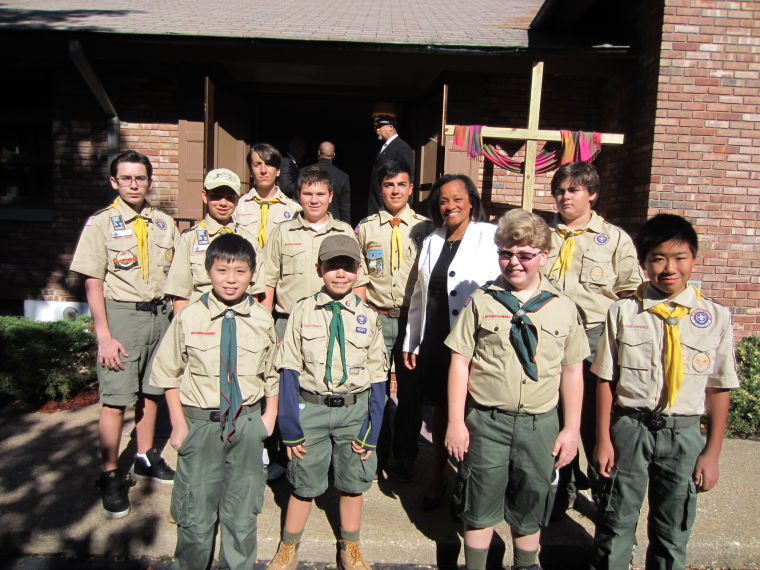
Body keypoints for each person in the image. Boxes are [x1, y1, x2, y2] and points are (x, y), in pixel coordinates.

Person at [591, 213, 738, 570]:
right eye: (657, 258)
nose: (669, 268)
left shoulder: (715, 316)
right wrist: (603, 439)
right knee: (615, 522)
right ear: (643, 263)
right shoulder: (623, 312)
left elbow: (719, 387)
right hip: (630, 429)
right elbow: (606, 380)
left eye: (679, 257)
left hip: (684, 434)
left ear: (694, 258)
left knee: (673, 530)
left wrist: (712, 452)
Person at [445, 208, 588, 570]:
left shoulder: (563, 308)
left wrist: (571, 429)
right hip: (487, 423)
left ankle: (526, 564)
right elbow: (460, 362)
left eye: (524, 254)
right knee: (478, 506)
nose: (514, 262)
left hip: (539, 426)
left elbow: (572, 371)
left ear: (543, 256)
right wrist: (455, 423)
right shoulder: (482, 301)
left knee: (531, 505)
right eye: (506, 253)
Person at [150, 234, 278, 570]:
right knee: (195, 516)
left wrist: (270, 418)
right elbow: (167, 373)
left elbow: (273, 374)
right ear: (209, 271)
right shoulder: (190, 317)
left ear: (252, 274)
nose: (231, 279)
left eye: (240, 271)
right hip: (200, 426)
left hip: (247, 425)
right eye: (223, 270)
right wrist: (178, 424)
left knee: (242, 516)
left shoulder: (262, 320)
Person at [267, 235, 387, 570]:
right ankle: (288, 547)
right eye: (332, 265)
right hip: (312, 410)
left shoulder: (369, 316)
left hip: (354, 411)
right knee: (303, 484)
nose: (340, 273)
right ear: (319, 268)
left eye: (347, 266)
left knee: (352, 485)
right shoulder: (302, 311)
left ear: (358, 271)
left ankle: (350, 547)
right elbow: (289, 368)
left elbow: (378, 378)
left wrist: (372, 429)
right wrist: (289, 426)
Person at [69, 150, 177, 518]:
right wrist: (104, 334)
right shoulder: (101, 223)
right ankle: (111, 474)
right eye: (127, 178)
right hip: (122, 317)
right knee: (116, 400)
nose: (134, 184)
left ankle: (145, 456)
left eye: (141, 178)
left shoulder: (164, 223)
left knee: (151, 393)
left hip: (159, 316)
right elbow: (92, 281)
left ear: (149, 181)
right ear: (114, 181)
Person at [543, 161, 643, 517]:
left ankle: (605, 495)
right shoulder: (541, 234)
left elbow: (631, 294)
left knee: (596, 423)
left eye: (573, 190)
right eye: (560, 190)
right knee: (554, 419)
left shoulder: (613, 238)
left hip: (596, 339)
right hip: (550, 341)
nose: (565, 196)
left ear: (592, 194)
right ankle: (560, 490)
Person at [401, 174, 499, 511]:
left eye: (458, 198)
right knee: (443, 409)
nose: (450, 206)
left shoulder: (490, 236)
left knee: (474, 411)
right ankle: (440, 476)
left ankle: (469, 484)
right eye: (444, 200)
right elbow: (419, 295)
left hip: (480, 339)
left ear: (472, 201)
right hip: (439, 338)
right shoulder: (431, 240)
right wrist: (412, 341)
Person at [355, 160, 432, 480]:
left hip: (413, 320)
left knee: (411, 391)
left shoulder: (426, 228)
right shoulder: (366, 228)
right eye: (389, 185)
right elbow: (359, 274)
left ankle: (405, 455)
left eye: (401, 184)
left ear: (411, 188)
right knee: (375, 389)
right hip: (377, 315)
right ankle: (378, 451)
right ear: (380, 189)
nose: (395, 191)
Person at [262, 166, 364, 340]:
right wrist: (265, 326)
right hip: (288, 323)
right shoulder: (282, 232)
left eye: (320, 194)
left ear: (331, 196)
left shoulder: (344, 232)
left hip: (333, 320)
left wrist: (356, 322)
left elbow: (359, 281)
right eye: (308, 194)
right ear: (299, 196)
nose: (314, 200)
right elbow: (267, 282)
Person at [165, 168, 258, 314]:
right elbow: (180, 294)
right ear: (204, 196)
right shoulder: (189, 239)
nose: (223, 203)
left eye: (230, 198)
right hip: (201, 321)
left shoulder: (249, 240)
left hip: (240, 320)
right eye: (216, 196)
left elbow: (256, 293)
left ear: (237, 199)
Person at [233, 143, 301, 256]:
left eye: (269, 164)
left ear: (278, 171)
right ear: (250, 171)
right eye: (257, 164)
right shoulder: (238, 207)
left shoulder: (294, 209)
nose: (263, 170)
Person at [367, 115, 414, 217]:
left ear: (391, 127)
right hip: (379, 202)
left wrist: (405, 210)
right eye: (376, 127)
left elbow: (408, 176)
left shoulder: (401, 147)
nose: (377, 129)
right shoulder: (385, 146)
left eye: (380, 126)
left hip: (391, 208)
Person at [301, 141, 351, 223]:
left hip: (306, 222)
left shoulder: (303, 172)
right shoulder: (343, 177)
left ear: (318, 153)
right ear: (334, 155)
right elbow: (345, 207)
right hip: (334, 224)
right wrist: (347, 227)